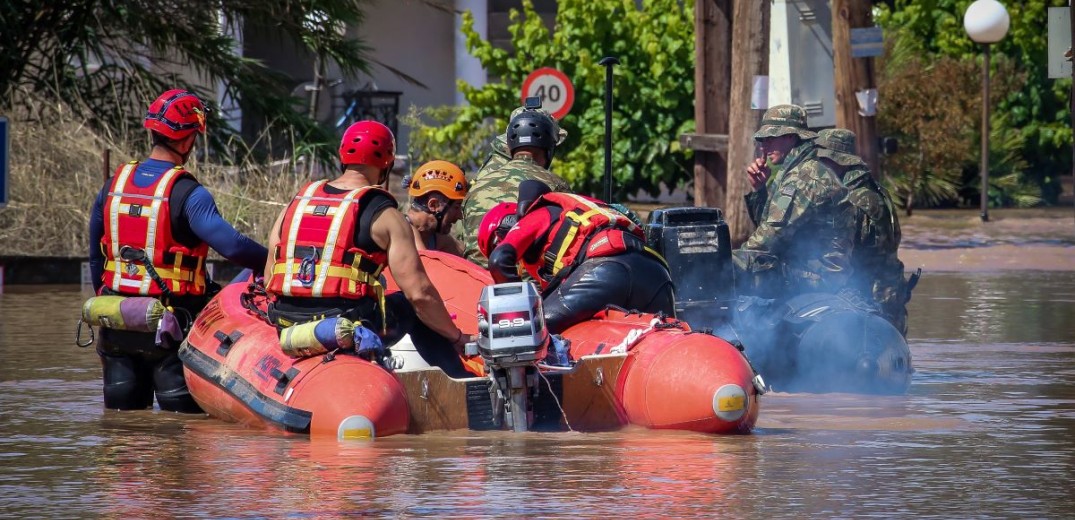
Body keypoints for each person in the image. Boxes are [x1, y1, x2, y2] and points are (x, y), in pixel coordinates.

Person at [88, 89, 268, 413]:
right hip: (173, 326)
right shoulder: (189, 193)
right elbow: (232, 246)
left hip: (116, 321)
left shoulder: (114, 184)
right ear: (187, 141)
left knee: (122, 431)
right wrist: (274, 261)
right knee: (181, 434)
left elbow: (94, 253)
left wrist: (109, 297)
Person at [263, 121, 474, 374]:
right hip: (348, 325)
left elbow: (269, 278)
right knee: (411, 307)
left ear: (342, 158)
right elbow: (420, 294)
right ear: (387, 164)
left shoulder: (297, 203)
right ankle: (461, 380)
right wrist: (456, 337)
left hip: (286, 324)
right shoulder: (385, 215)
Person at [480, 180, 676, 334]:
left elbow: (498, 261)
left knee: (531, 327)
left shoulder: (535, 215)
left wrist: (516, 312)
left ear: (503, 231)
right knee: (672, 334)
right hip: (655, 273)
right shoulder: (573, 209)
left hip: (608, 269)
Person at [734, 104, 855, 298]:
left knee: (735, 274)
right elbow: (769, 228)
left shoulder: (805, 177)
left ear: (790, 137)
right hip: (806, 270)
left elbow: (767, 240)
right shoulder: (797, 171)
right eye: (762, 140)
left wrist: (722, 263)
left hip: (820, 278)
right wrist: (759, 189)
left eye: (770, 139)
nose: (763, 147)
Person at [815, 128, 910, 334]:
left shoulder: (852, 199)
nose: (819, 168)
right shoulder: (875, 191)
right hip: (889, 301)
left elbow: (839, 258)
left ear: (837, 161)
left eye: (823, 161)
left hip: (868, 306)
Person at [457, 104, 572, 267]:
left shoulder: (479, 184)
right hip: (531, 287)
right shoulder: (557, 185)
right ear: (549, 147)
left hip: (477, 283)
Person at [401, 160, 468, 256]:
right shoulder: (402, 230)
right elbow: (423, 265)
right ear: (433, 205)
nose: (460, 216)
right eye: (456, 207)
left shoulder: (436, 239)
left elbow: (470, 260)